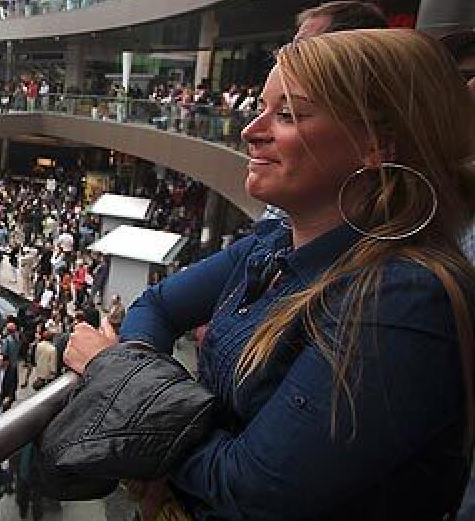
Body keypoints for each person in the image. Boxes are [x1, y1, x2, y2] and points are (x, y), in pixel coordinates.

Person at [59, 29, 475, 520]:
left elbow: (252, 489)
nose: (250, 130)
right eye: (261, 107)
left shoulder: (402, 300)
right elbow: (158, 305)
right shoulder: (272, 245)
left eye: (288, 114)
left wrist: (117, 375)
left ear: (376, 144)